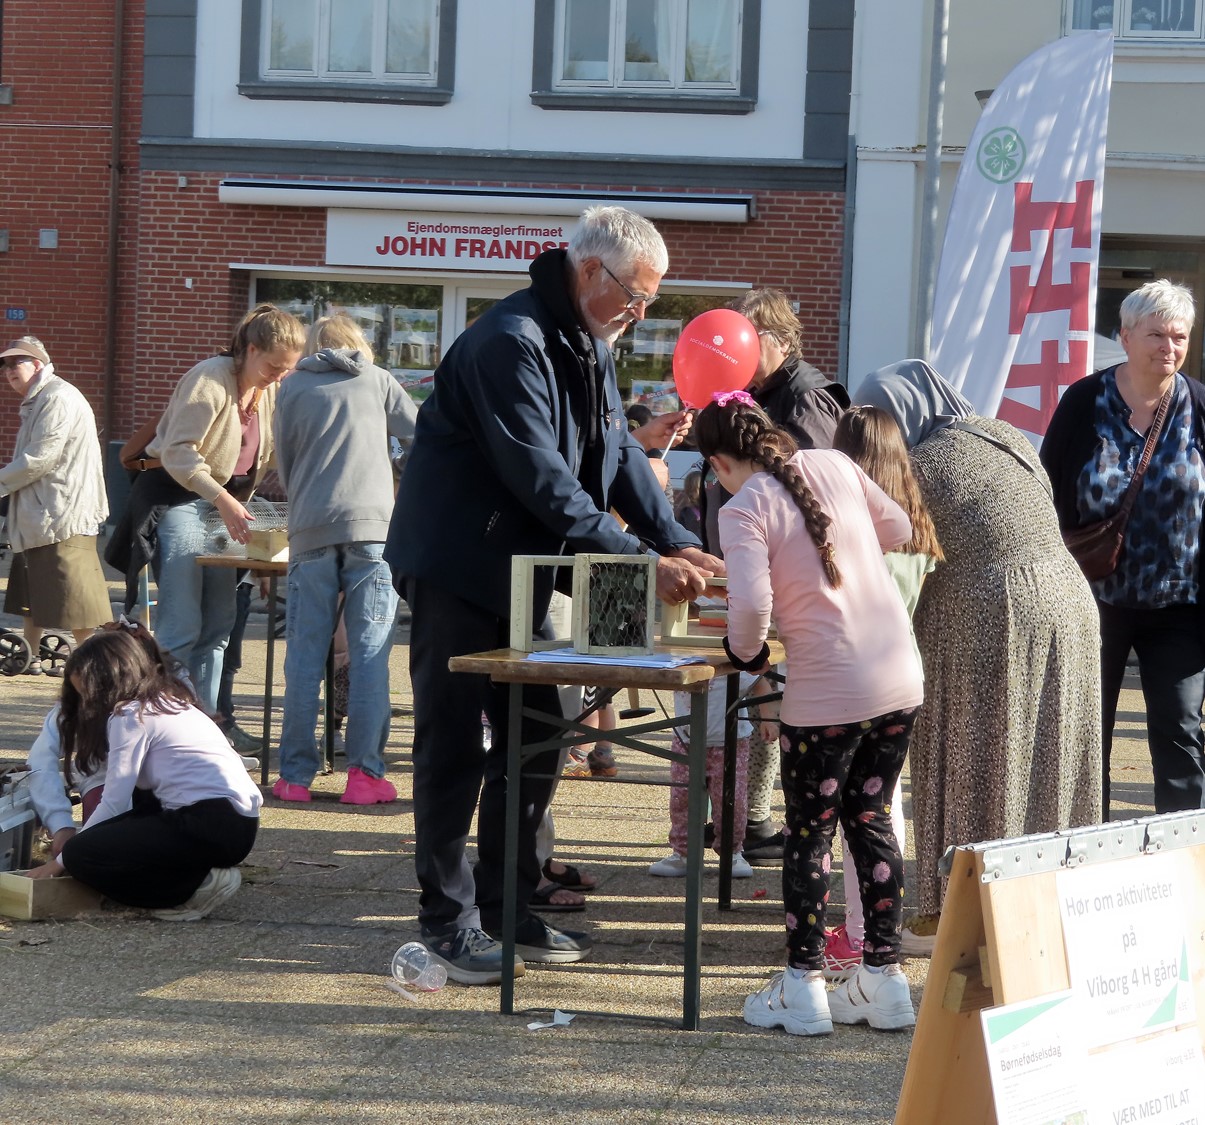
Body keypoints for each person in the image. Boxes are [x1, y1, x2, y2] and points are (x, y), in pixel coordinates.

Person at [386, 205, 722, 985]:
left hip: (524, 569)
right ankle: (448, 920)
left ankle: (509, 904)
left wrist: (671, 534)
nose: (639, 315)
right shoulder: (510, 341)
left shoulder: (585, 340)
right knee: (451, 746)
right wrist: (639, 556)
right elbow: (539, 477)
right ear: (586, 272)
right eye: (634, 297)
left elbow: (615, 451)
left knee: (536, 739)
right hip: (457, 566)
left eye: (649, 302)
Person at [855, 359, 1101, 954]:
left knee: (977, 757)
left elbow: (893, 571)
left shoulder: (922, 465)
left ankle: (965, 914)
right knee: (1052, 755)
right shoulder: (1004, 435)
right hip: (1069, 602)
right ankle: (1051, 899)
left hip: (993, 616)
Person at [696, 391, 922, 1035]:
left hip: (826, 690)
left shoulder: (743, 509)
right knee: (872, 821)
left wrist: (745, 654)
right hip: (898, 676)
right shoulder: (837, 465)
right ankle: (883, 981)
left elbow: (748, 614)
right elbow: (899, 529)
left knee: (810, 834)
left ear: (718, 462)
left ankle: (804, 986)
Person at [1042, 279, 1205, 820]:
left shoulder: (1199, 405)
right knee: (1088, 734)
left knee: (1180, 729)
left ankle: (1185, 855)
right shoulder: (1084, 402)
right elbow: (1047, 490)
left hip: (1180, 603)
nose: (1169, 347)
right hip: (1093, 600)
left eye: (1179, 336)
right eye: (1156, 334)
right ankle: (1087, 847)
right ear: (1126, 336)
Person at [706, 290, 852, 866]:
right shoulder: (761, 391)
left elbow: (800, 477)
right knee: (755, 696)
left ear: (782, 342)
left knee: (771, 696)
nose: (735, 349)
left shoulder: (808, 396)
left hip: (794, 579)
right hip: (753, 564)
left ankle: (764, 820)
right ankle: (750, 818)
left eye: (749, 336)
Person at [114, 304, 305, 716]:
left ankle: (208, 723)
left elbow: (269, 458)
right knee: (182, 624)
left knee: (219, 625)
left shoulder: (267, 389)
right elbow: (178, 453)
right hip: (180, 499)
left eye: (287, 369)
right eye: (275, 366)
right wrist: (224, 500)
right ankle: (166, 724)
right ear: (251, 350)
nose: (280, 376)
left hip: (224, 506)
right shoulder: (209, 378)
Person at [272, 313, 418, 805]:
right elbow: (425, 437)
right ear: (359, 343)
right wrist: (393, 471)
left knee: (304, 659)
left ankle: (294, 777)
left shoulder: (291, 389)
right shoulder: (378, 381)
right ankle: (364, 775)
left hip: (310, 526)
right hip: (374, 529)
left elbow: (284, 461)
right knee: (371, 656)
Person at [26, 629, 261, 922]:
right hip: (238, 824)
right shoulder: (171, 701)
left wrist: (62, 861)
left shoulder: (128, 716)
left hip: (205, 823)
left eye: (87, 695)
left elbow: (113, 802)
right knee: (107, 836)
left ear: (107, 684)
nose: (85, 704)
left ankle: (190, 891)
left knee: (82, 856)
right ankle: (195, 874)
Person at [827, 404, 943, 979]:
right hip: (904, 676)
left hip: (851, 679)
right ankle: (878, 926)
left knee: (857, 817)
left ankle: (859, 931)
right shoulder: (914, 525)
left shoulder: (852, 529)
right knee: (882, 808)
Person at [0, 336, 110, 670]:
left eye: (16, 363)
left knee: (75, 595)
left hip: (62, 512)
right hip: (42, 512)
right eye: (5, 366)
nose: (9, 371)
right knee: (33, 593)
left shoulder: (57, 398)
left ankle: (90, 661)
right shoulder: (40, 399)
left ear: (37, 364)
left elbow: (39, 459)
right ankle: (30, 655)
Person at [647, 670, 762, 880]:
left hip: (729, 742)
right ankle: (684, 853)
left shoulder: (731, 661)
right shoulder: (683, 660)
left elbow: (759, 682)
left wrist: (769, 719)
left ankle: (732, 851)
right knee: (682, 799)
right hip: (686, 741)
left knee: (731, 801)